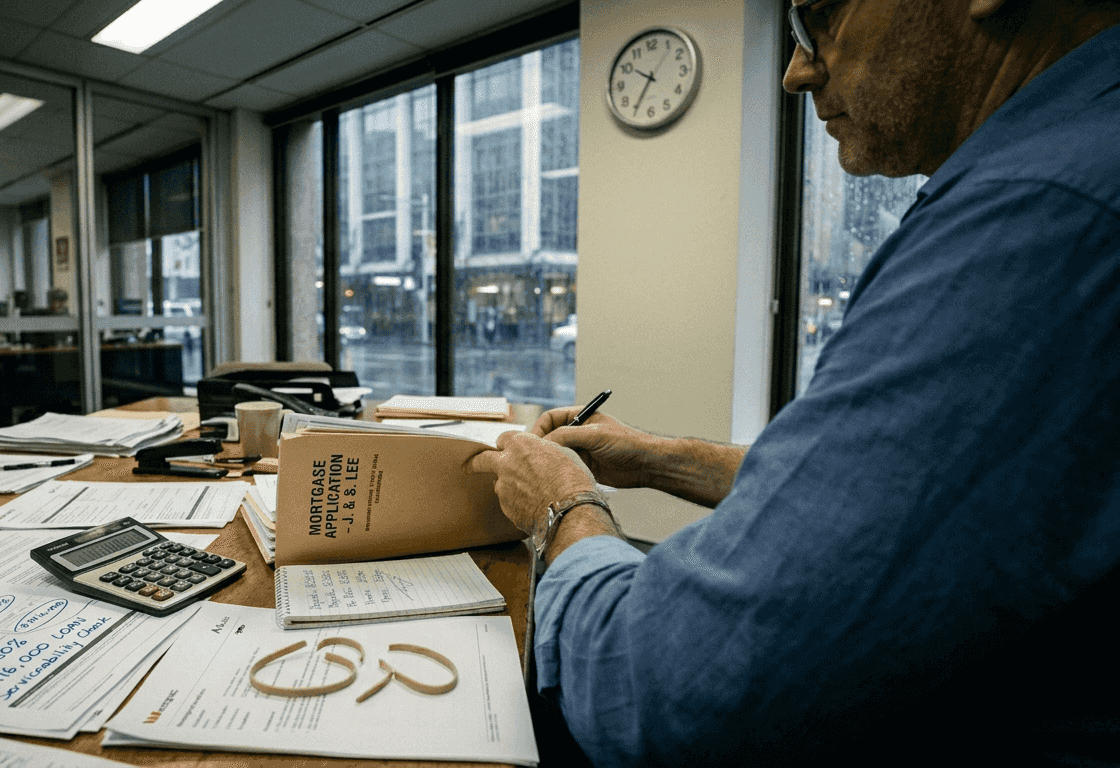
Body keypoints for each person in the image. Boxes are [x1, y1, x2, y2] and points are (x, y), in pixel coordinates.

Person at [468, 1, 1120, 764]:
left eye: (821, 17)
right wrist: (653, 456)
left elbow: (665, 688)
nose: (796, 70)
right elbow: (893, 491)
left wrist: (563, 510)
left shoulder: (1042, 212)